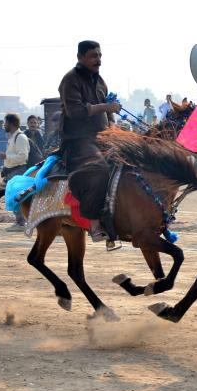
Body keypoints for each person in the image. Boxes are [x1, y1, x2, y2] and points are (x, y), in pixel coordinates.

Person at [58, 40, 121, 245]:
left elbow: (108, 114)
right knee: (100, 170)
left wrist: (113, 126)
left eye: (100, 56)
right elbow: (75, 112)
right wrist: (105, 107)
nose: (99, 60)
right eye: (94, 56)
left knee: (129, 163)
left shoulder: (100, 81)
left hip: (102, 138)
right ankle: (94, 222)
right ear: (80, 57)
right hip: (78, 141)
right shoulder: (70, 80)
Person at [0, 113, 30, 232]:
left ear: (11, 124)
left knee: (17, 197)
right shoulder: (12, 137)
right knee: (12, 197)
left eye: (5, 123)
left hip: (18, 170)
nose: (4, 125)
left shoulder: (20, 137)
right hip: (11, 171)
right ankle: (20, 221)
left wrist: (6, 156)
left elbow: (23, 156)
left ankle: (21, 223)